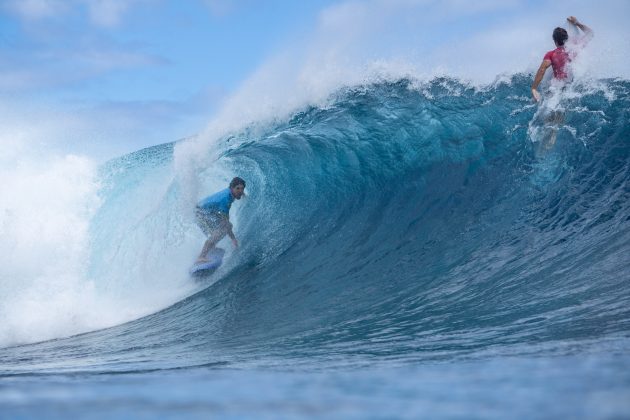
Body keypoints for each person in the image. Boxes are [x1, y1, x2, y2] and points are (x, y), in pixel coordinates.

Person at [531, 16, 593, 102]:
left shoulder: (551, 54)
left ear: (555, 41)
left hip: (556, 86)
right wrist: (577, 23)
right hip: (570, 87)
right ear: (566, 39)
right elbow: (590, 33)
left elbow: (542, 69)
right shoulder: (575, 48)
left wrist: (534, 88)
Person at [195, 177, 245, 263]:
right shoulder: (226, 199)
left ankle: (211, 247)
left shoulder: (230, 193)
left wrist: (241, 194)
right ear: (231, 188)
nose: (240, 191)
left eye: (242, 189)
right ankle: (201, 256)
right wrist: (233, 239)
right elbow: (225, 223)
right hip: (200, 213)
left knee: (224, 227)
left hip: (206, 211)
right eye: (238, 188)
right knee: (223, 229)